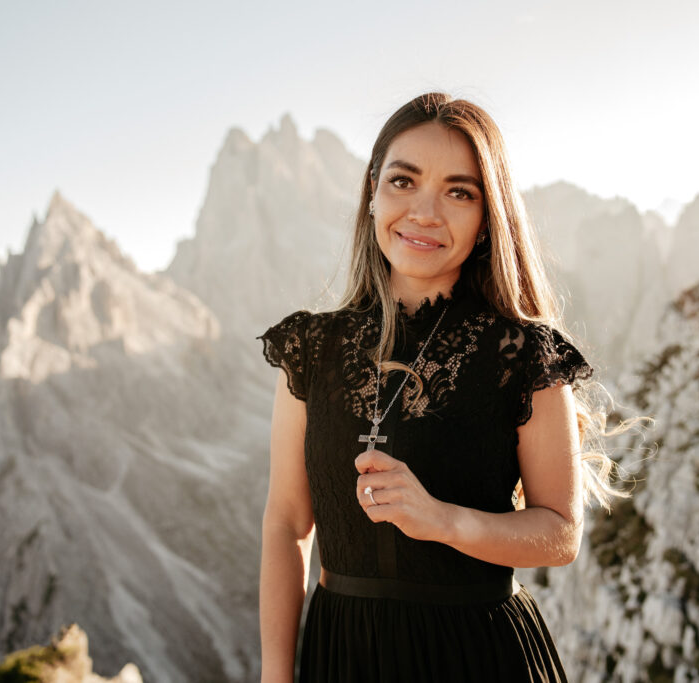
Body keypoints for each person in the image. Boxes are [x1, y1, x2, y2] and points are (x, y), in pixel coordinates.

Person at [257, 92, 626, 683]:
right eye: (404, 182)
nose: (425, 212)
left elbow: (560, 532)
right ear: (373, 191)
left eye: (460, 192)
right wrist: (275, 678)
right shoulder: (310, 347)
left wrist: (442, 520)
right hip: (343, 655)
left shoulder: (523, 352)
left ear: (486, 218)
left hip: (478, 654)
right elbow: (286, 524)